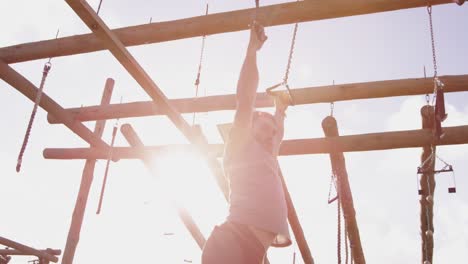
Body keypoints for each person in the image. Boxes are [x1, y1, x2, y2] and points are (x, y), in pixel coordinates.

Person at [202, 21, 291, 264]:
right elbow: (245, 98)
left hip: (252, 250)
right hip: (233, 242)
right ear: (249, 126)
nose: (271, 133)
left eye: (273, 130)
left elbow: (278, 133)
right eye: (264, 125)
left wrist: (280, 111)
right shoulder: (242, 143)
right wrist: (252, 49)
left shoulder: (268, 156)